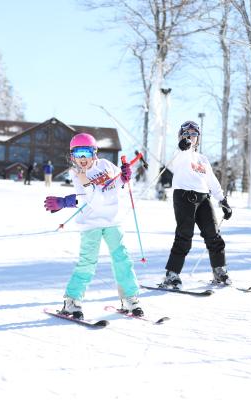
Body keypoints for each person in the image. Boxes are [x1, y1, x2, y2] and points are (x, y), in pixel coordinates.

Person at [44, 132, 143, 319]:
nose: (82, 159)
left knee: (122, 259)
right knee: (87, 262)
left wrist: (124, 176)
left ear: (94, 153)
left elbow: (117, 184)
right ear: (72, 156)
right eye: (77, 154)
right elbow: (91, 200)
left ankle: (130, 297)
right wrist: (65, 201)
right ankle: (72, 301)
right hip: (91, 224)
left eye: (86, 153)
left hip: (113, 221)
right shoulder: (77, 174)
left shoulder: (106, 165)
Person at [161, 120, 233, 289]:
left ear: (198, 138)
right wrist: (182, 147)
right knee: (184, 235)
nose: (190, 137)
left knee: (213, 234)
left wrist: (222, 200)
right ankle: (172, 274)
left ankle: (219, 271)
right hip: (184, 195)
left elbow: (212, 181)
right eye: (187, 133)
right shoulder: (178, 153)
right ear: (181, 136)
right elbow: (172, 164)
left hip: (203, 197)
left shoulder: (202, 159)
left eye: (194, 134)